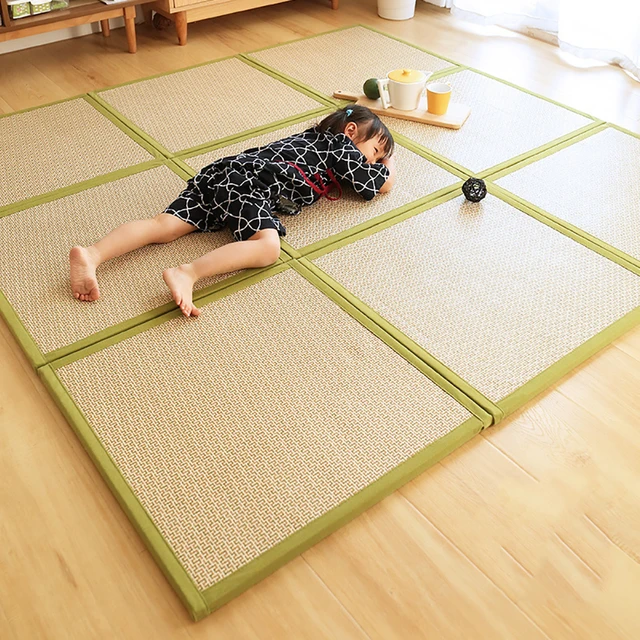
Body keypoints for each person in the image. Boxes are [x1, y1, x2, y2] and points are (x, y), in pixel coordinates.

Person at [69, 105, 396, 317]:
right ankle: (188, 273)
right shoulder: (340, 146)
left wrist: (378, 154)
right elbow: (381, 184)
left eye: (379, 156)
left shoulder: (313, 139)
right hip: (254, 184)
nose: (374, 159)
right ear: (351, 132)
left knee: (163, 226)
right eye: (375, 151)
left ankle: (93, 254)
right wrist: (389, 164)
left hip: (226, 172)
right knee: (268, 247)